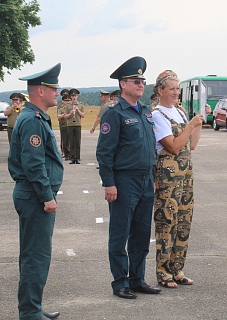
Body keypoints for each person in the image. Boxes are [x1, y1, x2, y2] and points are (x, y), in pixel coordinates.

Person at [96, 56, 161, 299]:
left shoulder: (145, 111)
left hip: (145, 180)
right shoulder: (115, 112)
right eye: (136, 81)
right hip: (123, 181)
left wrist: (152, 176)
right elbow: (104, 152)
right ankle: (120, 282)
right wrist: (109, 182)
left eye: (143, 81)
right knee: (120, 233)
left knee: (142, 234)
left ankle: (137, 279)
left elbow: (149, 147)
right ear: (123, 84)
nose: (141, 85)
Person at [8, 63, 64, 320]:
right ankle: (30, 313)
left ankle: (33, 307)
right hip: (35, 196)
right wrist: (47, 196)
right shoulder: (32, 119)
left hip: (33, 195)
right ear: (40, 91)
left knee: (34, 255)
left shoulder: (36, 117)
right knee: (36, 256)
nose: (58, 92)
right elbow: (34, 164)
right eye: (54, 88)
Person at [152, 70, 211, 288]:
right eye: (172, 89)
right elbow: (174, 146)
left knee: (183, 223)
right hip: (168, 179)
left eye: (178, 88)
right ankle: (163, 271)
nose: (177, 92)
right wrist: (190, 125)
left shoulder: (180, 112)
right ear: (160, 90)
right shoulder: (158, 114)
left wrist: (199, 123)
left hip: (185, 177)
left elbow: (191, 145)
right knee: (166, 223)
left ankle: (177, 269)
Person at [64, 88, 85, 164]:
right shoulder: (67, 105)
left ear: (77, 96)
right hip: (70, 125)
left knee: (77, 142)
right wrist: (70, 114)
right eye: (72, 96)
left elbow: (83, 115)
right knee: (71, 142)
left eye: (75, 96)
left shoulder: (80, 105)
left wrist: (78, 110)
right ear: (70, 96)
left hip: (78, 125)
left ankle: (77, 157)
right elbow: (65, 116)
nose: (74, 97)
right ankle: (72, 158)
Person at [57, 94, 71, 160]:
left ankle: (72, 154)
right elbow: (58, 117)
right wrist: (64, 115)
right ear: (63, 101)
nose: (67, 102)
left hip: (70, 125)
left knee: (71, 141)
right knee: (65, 141)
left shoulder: (71, 108)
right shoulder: (61, 109)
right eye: (66, 101)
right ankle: (66, 154)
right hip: (64, 126)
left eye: (69, 101)